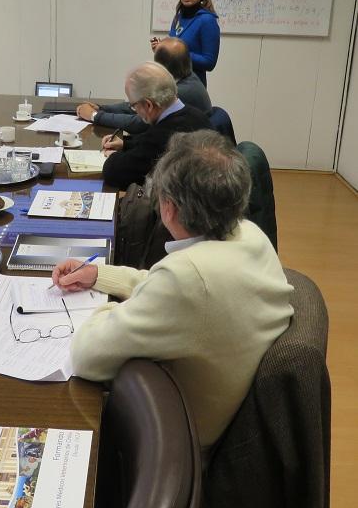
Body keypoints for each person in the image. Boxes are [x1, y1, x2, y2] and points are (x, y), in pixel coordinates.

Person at [52, 130, 294, 449]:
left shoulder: (188, 277)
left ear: (169, 208)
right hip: (225, 417)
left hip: (180, 442)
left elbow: (86, 356)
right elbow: (165, 289)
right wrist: (99, 275)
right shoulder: (248, 234)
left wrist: (110, 309)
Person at [101, 62, 212, 189]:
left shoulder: (163, 136)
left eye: (133, 106)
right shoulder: (196, 115)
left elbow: (114, 173)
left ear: (148, 105)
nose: (135, 110)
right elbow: (146, 148)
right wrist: (125, 144)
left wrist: (112, 157)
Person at [76, 38, 212, 134]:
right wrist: (102, 108)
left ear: (161, 67)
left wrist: (95, 116)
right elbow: (139, 105)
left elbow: (139, 123)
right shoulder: (187, 76)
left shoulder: (179, 93)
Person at [150, 0, 220, 87]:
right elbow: (173, 55)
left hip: (192, 87)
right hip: (172, 83)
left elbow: (209, 63)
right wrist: (162, 49)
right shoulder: (178, 17)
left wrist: (176, 53)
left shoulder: (207, 20)